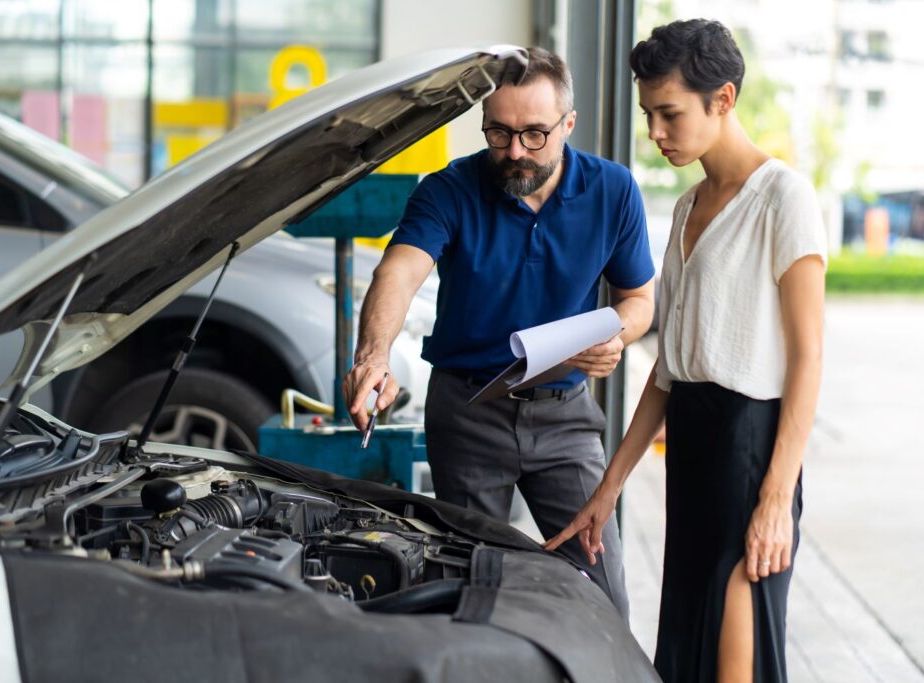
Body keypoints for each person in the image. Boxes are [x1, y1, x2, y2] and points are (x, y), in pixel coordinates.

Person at [544, 20, 827, 682]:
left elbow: (809, 357)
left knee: (738, 662)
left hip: (751, 451)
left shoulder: (784, 197)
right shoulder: (687, 206)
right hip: (694, 453)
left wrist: (776, 497)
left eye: (669, 114)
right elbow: (670, 368)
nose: (655, 133)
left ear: (723, 100)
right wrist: (608, 487)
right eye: (648, 115)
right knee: (686, 657)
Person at [342, 47, 655, 618]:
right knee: (469, 592)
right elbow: (400, 269)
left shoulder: (614, 191)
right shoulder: (448, 190)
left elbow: (638, 301)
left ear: (569, 124)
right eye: (499, 133)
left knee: (603, 593)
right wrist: (373, 356)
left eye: (535, 134)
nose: (514, 152)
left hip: (566, 415)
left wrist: (618, 335)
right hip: (468, 412)